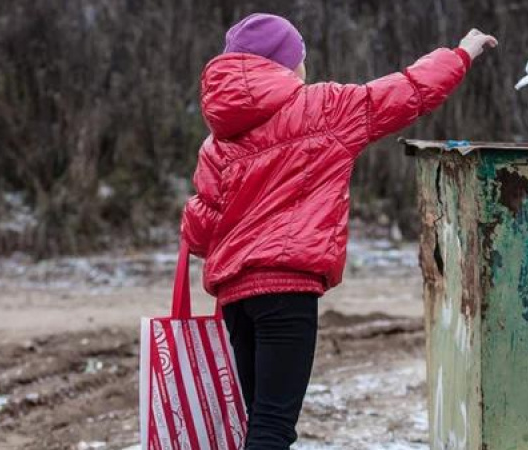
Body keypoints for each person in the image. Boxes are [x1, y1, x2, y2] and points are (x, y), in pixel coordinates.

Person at [181, 12, 497, 449]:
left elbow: (198, 235)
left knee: (260, 419)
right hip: (286, 291)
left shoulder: (216, 144)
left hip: (236, 296)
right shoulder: (324, 109)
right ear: (288, 65)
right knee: (273, 426)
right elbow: (407, 91)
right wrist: (461, 54)